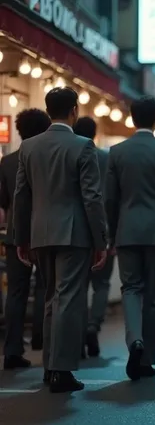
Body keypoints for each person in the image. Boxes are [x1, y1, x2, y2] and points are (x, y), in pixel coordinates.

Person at [13, 87, 108, 393]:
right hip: (74, 233)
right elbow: (92, 198)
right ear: (73, 111)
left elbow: (21, 196)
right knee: (68, 297)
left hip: (40, 232)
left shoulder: (28, 147)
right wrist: (100, 240)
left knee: (51, 297)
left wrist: (21, 237)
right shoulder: (83, 146)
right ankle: (62, 370)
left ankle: (49, 366)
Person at [105, 96, 155, 380]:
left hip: (126, 231)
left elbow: (110, 199)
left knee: (130, 289)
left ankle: (134, 341)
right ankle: (147, 358)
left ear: (132, 118)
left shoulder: (117, 152)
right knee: (154, 296)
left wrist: (110, 234)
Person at [0, 108, 50, 369]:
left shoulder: (7, 162)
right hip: (44, 233)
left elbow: (3, 203)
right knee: (45, 288)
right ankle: (42, 339)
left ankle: (12, 350)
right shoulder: (46, 159)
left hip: (14, 235)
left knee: (16, 294)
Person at [72, 116, 112, 358]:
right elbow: (113, 197)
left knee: (78, 285)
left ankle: (78, 336)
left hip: (76, 229)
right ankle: (93, 326)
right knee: (102, 284)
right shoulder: (107, 159)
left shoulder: (71, 154)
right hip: (105, 226)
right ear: (95, 134)